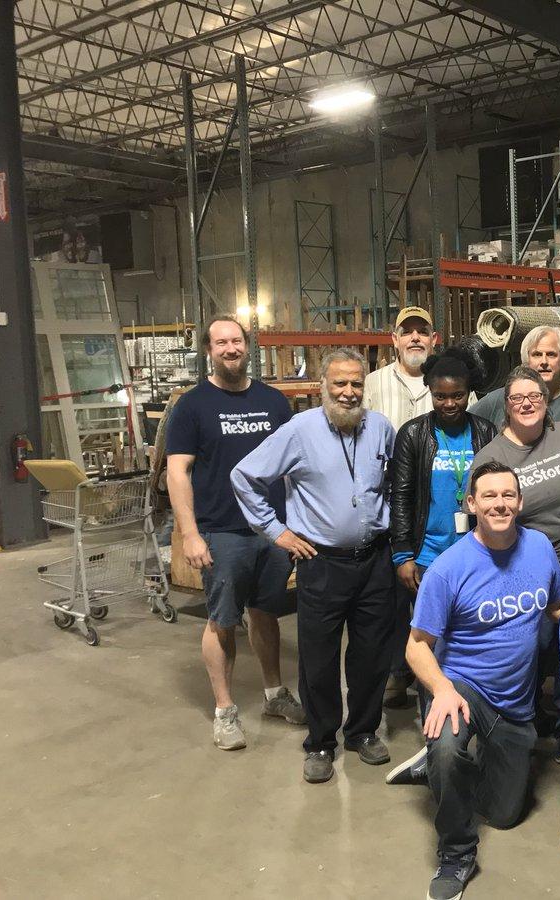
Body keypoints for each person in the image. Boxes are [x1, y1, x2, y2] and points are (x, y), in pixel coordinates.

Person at [398, 461, 560, 900]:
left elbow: (559, 606)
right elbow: (416, 646)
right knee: (448, 746)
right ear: (472, 504)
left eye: (507, 495)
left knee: (503, 813)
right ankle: (456, 853)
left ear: (520, 500)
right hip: (462, 687)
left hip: (516, 700)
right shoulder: (449, 568)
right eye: (489, 496)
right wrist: (441, 690)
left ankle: (439, 769)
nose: (500, 504)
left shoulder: (539, 548)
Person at [231, 348, 398, 784]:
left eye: (355, 383)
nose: (347, 392)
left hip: (374, 560)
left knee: (371, 655)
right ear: (323, 385)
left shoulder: (381, 428)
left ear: (365, 386)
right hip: (322, 563)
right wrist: (277, 531)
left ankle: (362, 731)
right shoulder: (299, 431)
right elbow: (244, 476)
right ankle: (321, 742)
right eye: (339, 383)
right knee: (319, 659)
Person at [165, 315, 305, 750]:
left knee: (266, 613)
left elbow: (292, 466)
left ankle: (273, 694)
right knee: (222, 620)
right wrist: (189, 533)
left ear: (248, 346)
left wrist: (294, 524)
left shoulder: (274, 402)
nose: (230, 348)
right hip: (222, 531)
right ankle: (225, 711)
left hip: (272, 533)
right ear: (208, 349)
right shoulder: (192, 406)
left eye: (237, 341)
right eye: (221, 342)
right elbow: (177, 472)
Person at [472, 366, 560, 763]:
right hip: (528, 568)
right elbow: (483, 519)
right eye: (517, 398)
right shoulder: (492, 457)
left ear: (547, 402)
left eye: (535, 397)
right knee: (533, 646)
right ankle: (518, 723)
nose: (527, 404)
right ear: (505, 407)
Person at [387, 349, 496, 710]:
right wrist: (404, 554)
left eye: (457, 395)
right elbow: (400, 495)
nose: (449, 403)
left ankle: (473, 709)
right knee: (427, 641)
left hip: (476, 555)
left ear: (469, 393)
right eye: (440, 396)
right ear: (430, 392)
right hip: (429, 557)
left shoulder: (484, 431)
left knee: (470, 636)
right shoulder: (414, 434)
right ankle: (431, 714)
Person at [469, 324, 560, 438]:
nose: (544, 362)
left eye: (551, 354)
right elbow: (461, 426)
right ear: (526, 360)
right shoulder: (498, 400)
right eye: (537, 354)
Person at [363, 306, 438, 429]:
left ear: (433, 339)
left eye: (423, 332)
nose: (415, 338)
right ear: (395, 340)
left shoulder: (453, 382)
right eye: (406, 332)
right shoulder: (373, 383)